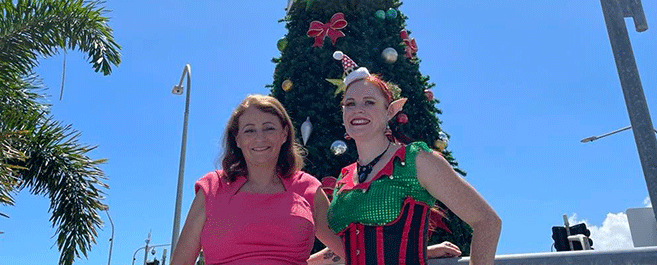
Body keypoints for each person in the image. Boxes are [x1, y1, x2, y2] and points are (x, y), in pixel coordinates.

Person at [170, 94, 461, 265]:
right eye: (249, 130)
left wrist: (420, 252)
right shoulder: (212, 188)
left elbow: (351, 251)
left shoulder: (306, 188)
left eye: (269, 128)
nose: (260, 138)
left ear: (284, 134)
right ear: (237, 138)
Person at [327, 52, 502, 265]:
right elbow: (344, 251)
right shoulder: (344, 179)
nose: (358, 110)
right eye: (350, 104)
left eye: (369, 102)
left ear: (389, 112)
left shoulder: (415, 160)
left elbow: (487, 221)